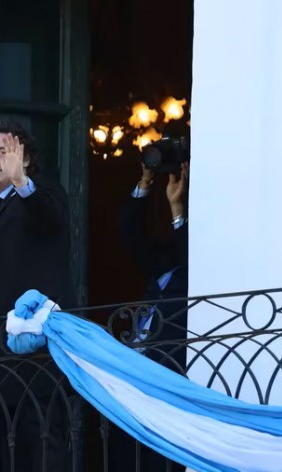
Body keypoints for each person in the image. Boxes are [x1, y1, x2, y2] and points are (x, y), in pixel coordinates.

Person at [0, 121, 74, 471]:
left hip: (34, 356)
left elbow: (50, 219)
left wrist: (21, 183)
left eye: (4, 151)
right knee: (7, 450)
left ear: (24, 158)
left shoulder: (41, 192)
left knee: (40, 444)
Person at [110, 160, 189, 472]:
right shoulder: (157, 268)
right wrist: (145, 180)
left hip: (169, 374)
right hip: (138, 375)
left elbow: (189, 250)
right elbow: (130, 235)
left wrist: (177, 207)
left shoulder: (194, 267)